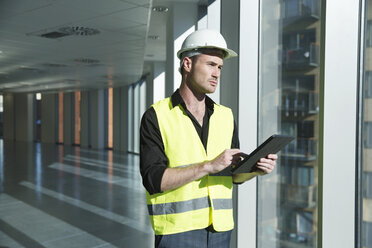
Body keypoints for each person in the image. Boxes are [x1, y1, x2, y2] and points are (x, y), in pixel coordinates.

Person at [140, 29, 278, 248]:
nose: (217, 73)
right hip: (177, 231)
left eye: (220, 67)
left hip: (220, 232)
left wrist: (254, 170)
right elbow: (153, 180)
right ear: (187, 64)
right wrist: (208, 166)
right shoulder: (156, 115)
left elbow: (233, 176)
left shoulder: (226, 116)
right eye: (211, 64)